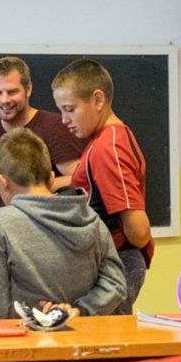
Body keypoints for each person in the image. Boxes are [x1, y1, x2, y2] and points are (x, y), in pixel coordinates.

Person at [0, 128, 126, 319]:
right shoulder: (91, 218)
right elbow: (115, 283)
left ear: (2, 180)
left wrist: (40, 317)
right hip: (84, 334)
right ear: (51, 178)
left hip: (25, 335)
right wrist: (77, 311)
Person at [52, 58, 154, 314]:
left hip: (119, 262)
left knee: (103, 337)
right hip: (114, 260)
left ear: (98, 100)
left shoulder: (109, 148)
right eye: (61, 111)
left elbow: (139, 231)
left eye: (69, 109)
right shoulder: (104, 141)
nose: (64, 120)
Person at [0, 56, 83, 204]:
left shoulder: (55, 127)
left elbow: (78, 178)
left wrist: (28, 193)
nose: (5, 100)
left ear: (28, 89)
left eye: (12, 92)